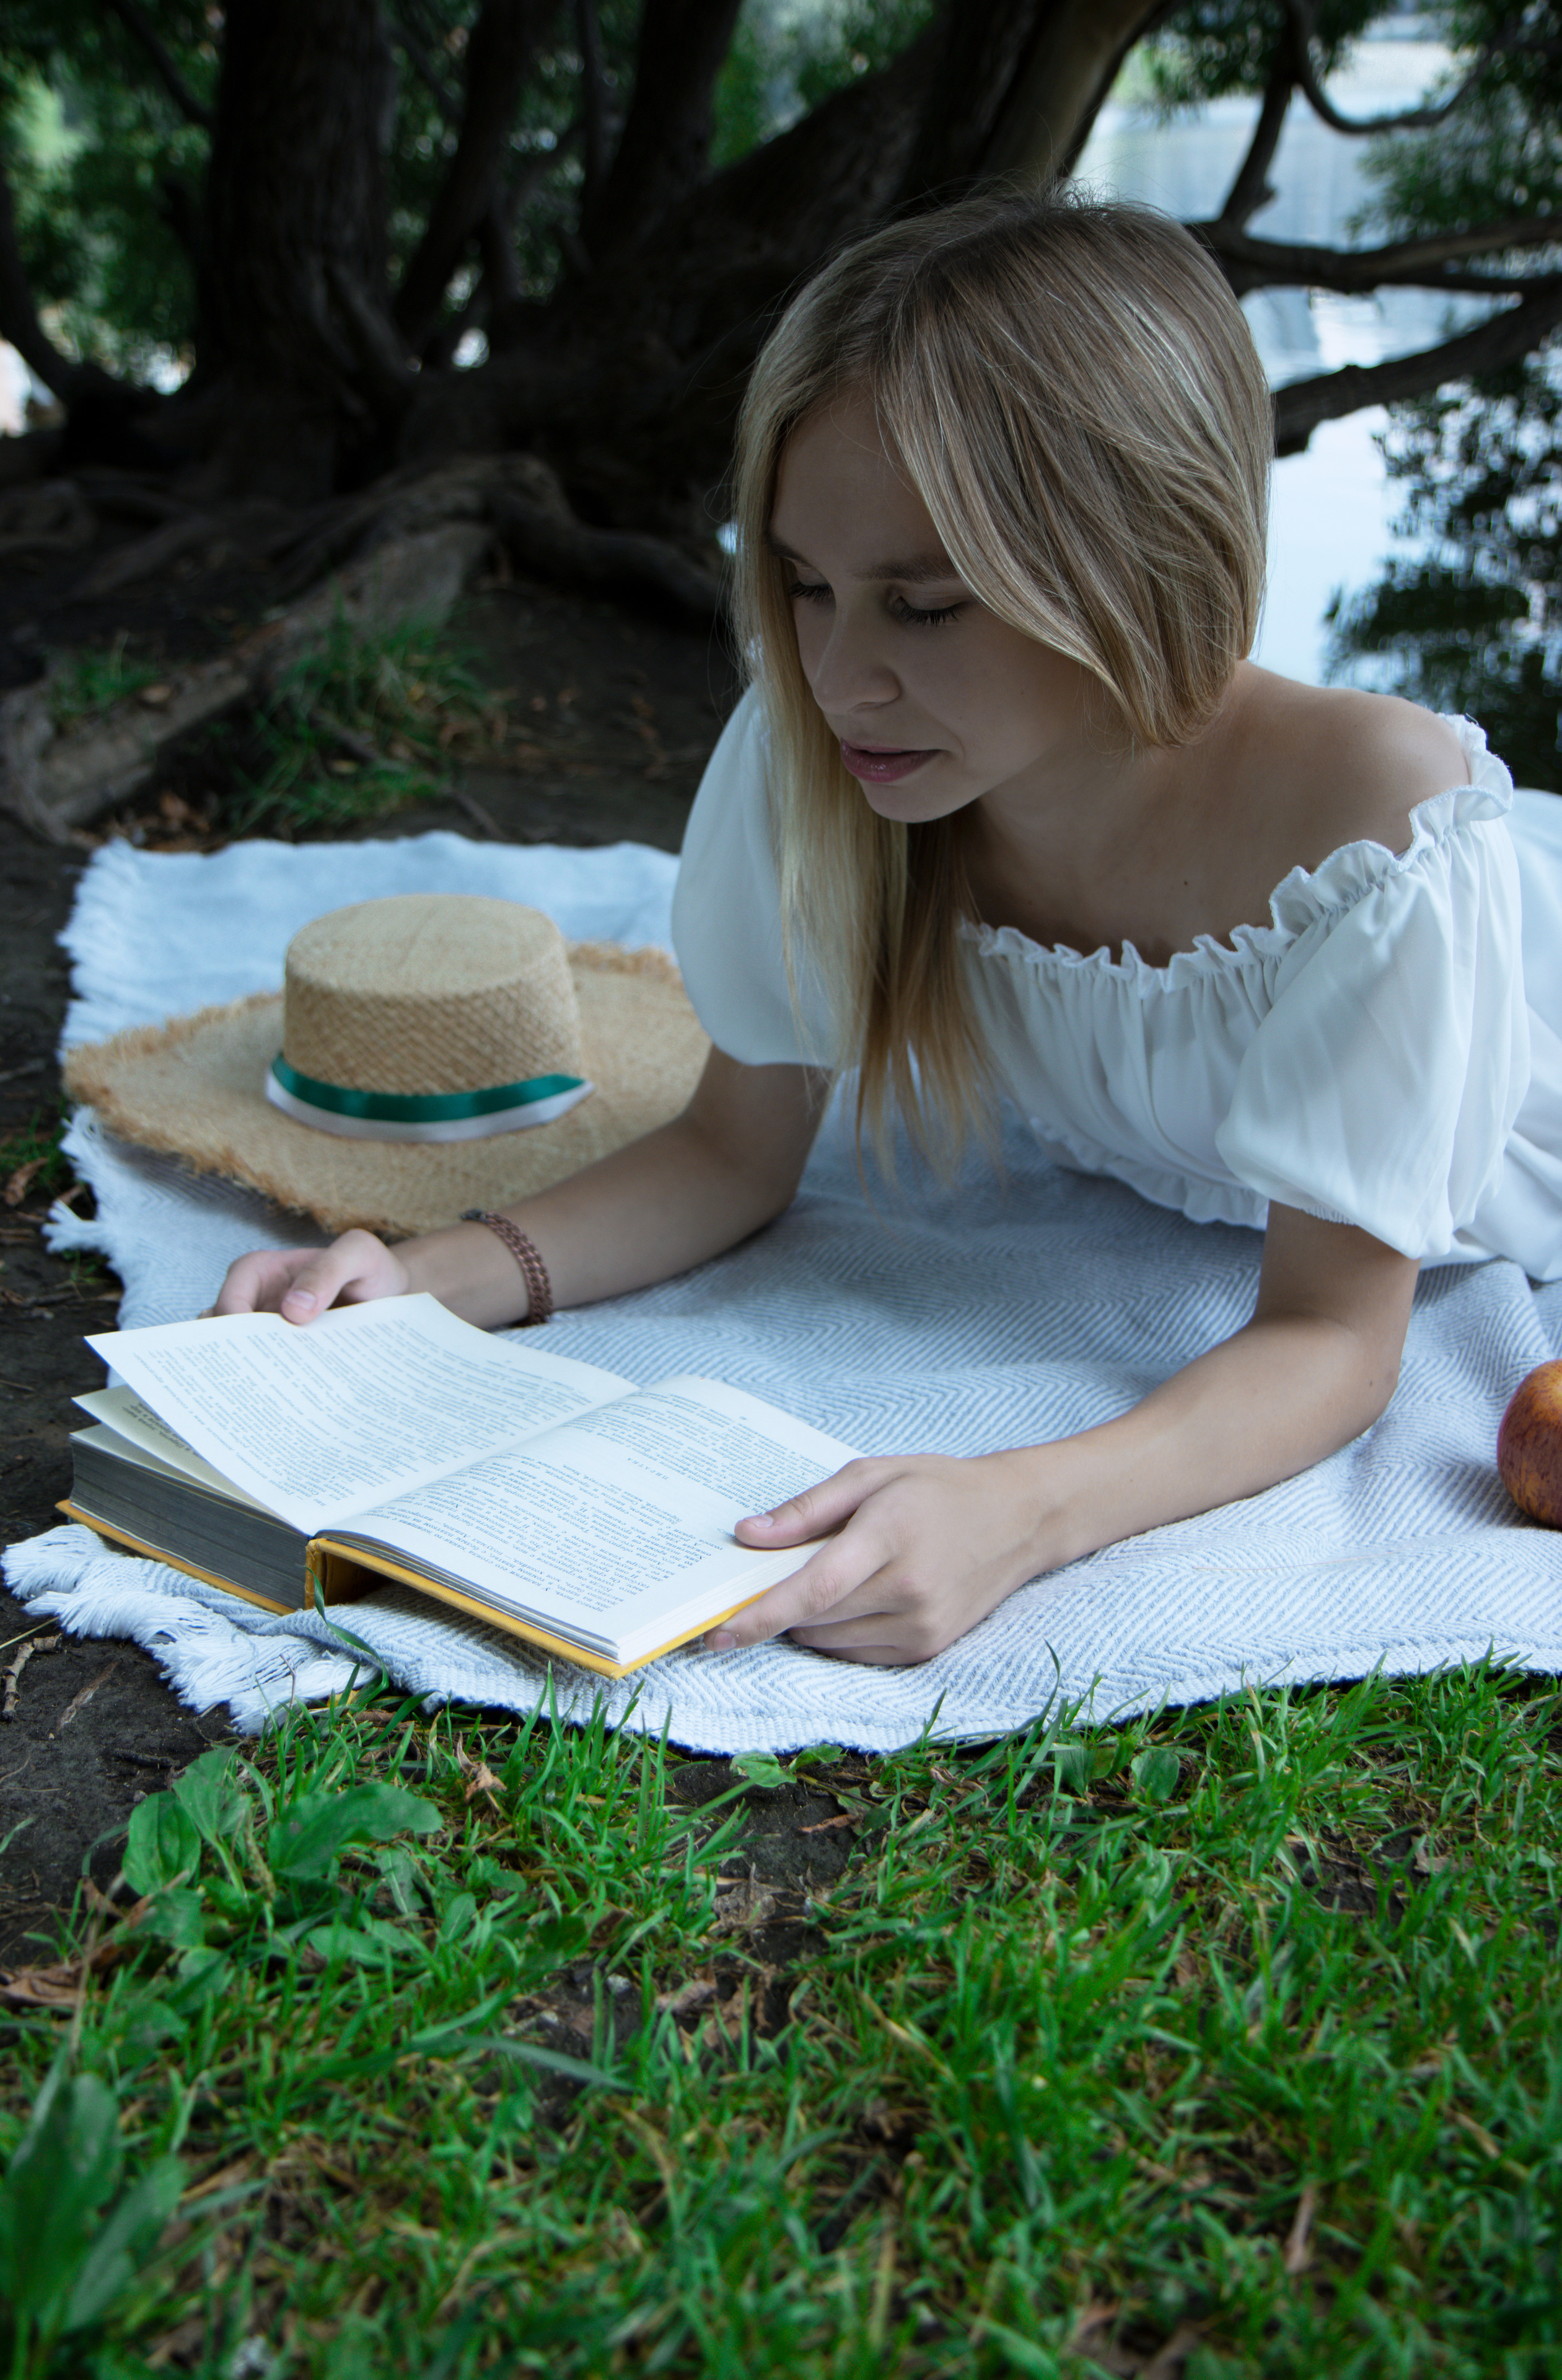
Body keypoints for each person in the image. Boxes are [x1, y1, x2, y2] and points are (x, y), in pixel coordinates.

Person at [213, 191, 1562, 1667]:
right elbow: (732, 1150)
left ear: (1135, 564)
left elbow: (1331, 1338)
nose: (839, 675)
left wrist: (1018, 1513)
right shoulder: (840, 756)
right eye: (802, 586)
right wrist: (420, 1282)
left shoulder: (1372, 824)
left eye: (920, 607)